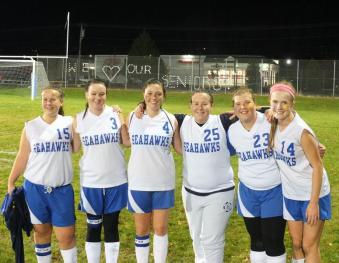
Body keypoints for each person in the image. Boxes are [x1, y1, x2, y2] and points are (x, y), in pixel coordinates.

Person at [7, 87, 77, 263]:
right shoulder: (30, 126)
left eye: (53, 99)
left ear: (61, 102)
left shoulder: (69, 123)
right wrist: (11, 181)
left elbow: (76, 148)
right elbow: (22, 156)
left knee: (67, 236)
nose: (48, 103)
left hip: (61, 190)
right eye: (45, 99)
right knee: (41, 232)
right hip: (35, 189)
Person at [269, 81, 331, 263]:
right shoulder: (273, 120)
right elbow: (257, 109)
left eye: (284, 103)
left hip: (312, 195)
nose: (279, 107)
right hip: (290, 194)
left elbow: (318, 167)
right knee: (296, 244)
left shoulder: (301, 131)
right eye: (275, 102)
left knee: (309, 246)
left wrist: (313, 203)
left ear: (292, 104)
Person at [227, 87, 286, 263]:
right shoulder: (232, 130)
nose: (243, 107)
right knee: (256, 241)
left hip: (274, 190)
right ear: (233, 108)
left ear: (256, 104)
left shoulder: (271, 121)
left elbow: (291, 121)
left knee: (273, 241)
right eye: (238, 104)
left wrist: (314, 144)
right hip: (248, 193)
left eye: (247, 102)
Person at [72, 78, 129, 263]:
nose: (98, 98)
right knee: (93, 227)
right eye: (94, 93)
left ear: (106, 95)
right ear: (86, 95)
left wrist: (123, 119)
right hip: (91, 182)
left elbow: (127, 142)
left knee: (112, 227)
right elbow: (73, 148)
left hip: (116, 180)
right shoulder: (78, 119)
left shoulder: (115, 114)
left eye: (102, 94)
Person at [126, 78, 180, 263]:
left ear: (164, 96)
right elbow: (124, 140)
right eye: (149, 93)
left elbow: (180, 148)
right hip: (138, 181)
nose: (153, 97)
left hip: (163, 182)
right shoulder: (133, 116)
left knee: (160, 229)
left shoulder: (171, 119)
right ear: (143, 95)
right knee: (141, 230)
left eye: (158, 93)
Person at [177, 92, 235, 263]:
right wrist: (140, 106)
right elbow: (155, 113)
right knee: (196, 237)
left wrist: (269, 110)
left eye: (204, 104)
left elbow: (251, 111)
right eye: (195, 103)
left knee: (212, 239)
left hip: (220, 191)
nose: (200, 108)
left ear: (212, 105)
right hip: (191, 192)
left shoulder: (223, 121)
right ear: (190, 105)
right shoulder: (181, 121)